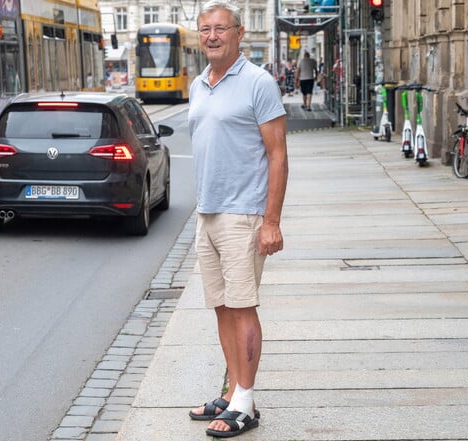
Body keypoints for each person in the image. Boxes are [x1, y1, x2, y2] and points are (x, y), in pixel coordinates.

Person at [186, 0, 288, 438]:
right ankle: (231, 391)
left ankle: (245, 403)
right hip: (207, 212)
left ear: (239, 33)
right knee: (222, 308)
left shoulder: (258, 83)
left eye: (220, 28)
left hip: (244, 214)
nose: (212, 36)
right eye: (205, 29)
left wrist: (271, 221)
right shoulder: (198, 84)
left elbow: (278, 154)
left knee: (243, 307)